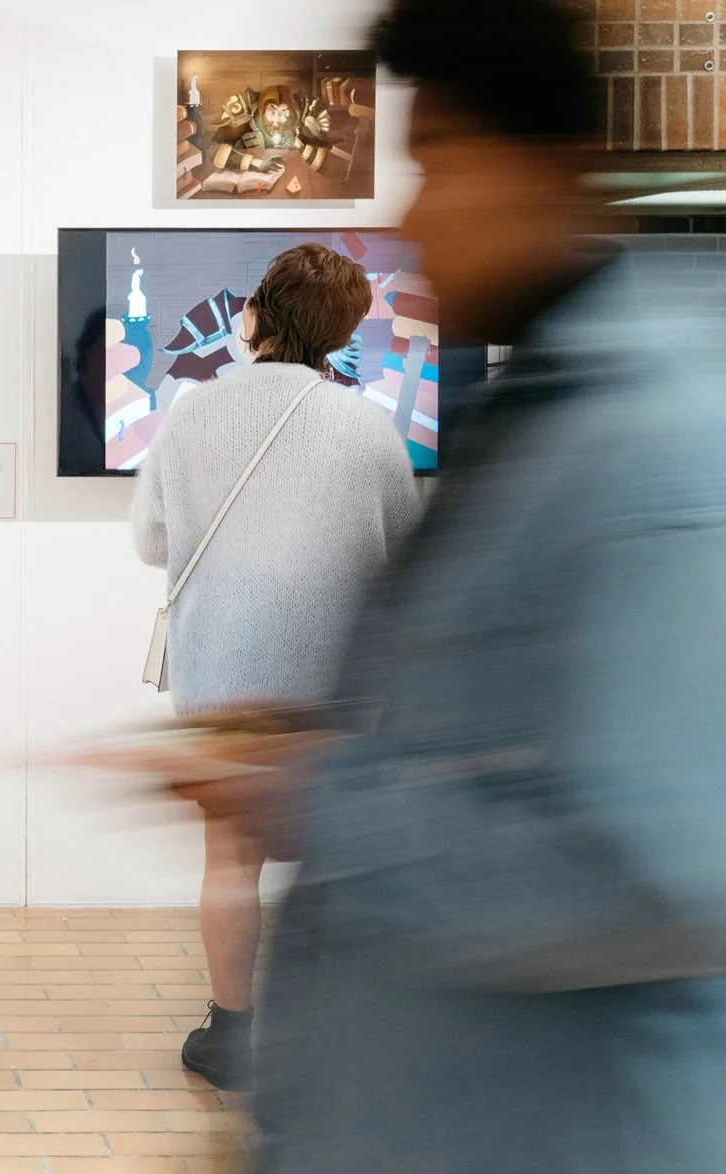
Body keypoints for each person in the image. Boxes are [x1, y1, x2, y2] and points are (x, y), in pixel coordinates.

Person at [165, 2, 726, 1174]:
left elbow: (664, 867)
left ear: (560, 168)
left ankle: (223, 1023)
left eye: (444, 159)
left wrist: (328, 799)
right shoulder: (527, 418)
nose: (411, 216)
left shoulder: (680, 449)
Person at [131, 242, 418, 1091]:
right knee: (337, 857)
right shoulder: (368, 425)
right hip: (334, 675)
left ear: (253, 314)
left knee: (230, 860)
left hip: (221, 665)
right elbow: (403, 556)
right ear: (342, 334)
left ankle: (231, 1035)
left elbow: (153, 543)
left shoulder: (187, 413)